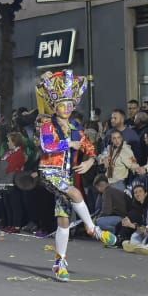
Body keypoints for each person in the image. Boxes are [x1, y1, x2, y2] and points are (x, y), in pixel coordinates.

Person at [34, 71, 119, 281]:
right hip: (49, 171)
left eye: (70, 105)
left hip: (66, 174)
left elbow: (89, 147)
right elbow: (47, 145)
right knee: (76, 193)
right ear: (55, 106)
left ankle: (59, 262)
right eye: (62, 105)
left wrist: (90, 161)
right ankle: (94, 230)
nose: (66, 109)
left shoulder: (75, 127)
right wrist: (67, 144)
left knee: (63, 221)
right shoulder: (47, 124)